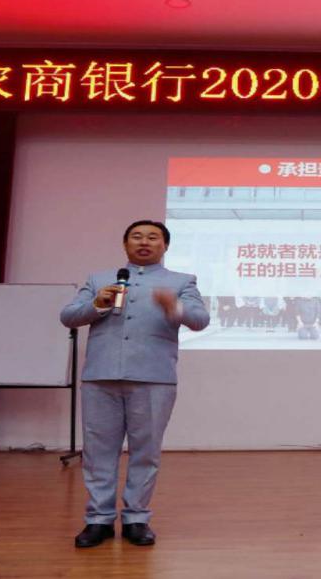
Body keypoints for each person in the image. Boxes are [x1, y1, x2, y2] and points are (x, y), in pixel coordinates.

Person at [60, 220, 210, 548]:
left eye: (153, 237)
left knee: (145, 453)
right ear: (125, 244)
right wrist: (97, 304)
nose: (144, 242)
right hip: (100, 377)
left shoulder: (182, 281)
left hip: (154, 378)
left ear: (165, 246)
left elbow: (200, 320)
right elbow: (68, 316)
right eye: (137, 237)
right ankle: (98, 520)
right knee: (98, 453)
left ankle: (136, 519)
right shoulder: (99, 279)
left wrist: (175, 308)